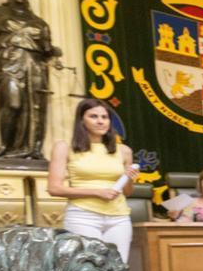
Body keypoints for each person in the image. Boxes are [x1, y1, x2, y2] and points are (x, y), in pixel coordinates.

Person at [0, 0, 62, 160]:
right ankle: (6, 146)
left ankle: (34, 149)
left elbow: (47, 50)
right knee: (12, 103)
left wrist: (55, 52)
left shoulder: (40, 23)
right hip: (8, 63)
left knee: (37, 109)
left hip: (35, 66)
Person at [46, 98, 138, 262]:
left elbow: (128, 192)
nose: (101, 121)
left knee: (117, 269)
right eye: (94, 116)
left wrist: (128, 178)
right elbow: (54, 188)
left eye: (105, 117)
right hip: (83, 216)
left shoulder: (124, 151)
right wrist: (97, 192)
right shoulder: (64, 147)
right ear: (82, 120)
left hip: (119, 217)